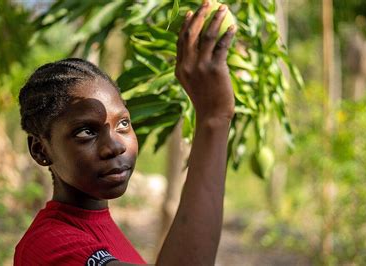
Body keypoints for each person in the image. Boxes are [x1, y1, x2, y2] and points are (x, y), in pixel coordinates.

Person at [14, 1, 237, 265]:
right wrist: (214, 118)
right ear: (41, 150)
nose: (115, 146)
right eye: (86, 131)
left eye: (123, 124)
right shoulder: (50, 244)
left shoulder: (99, 226)